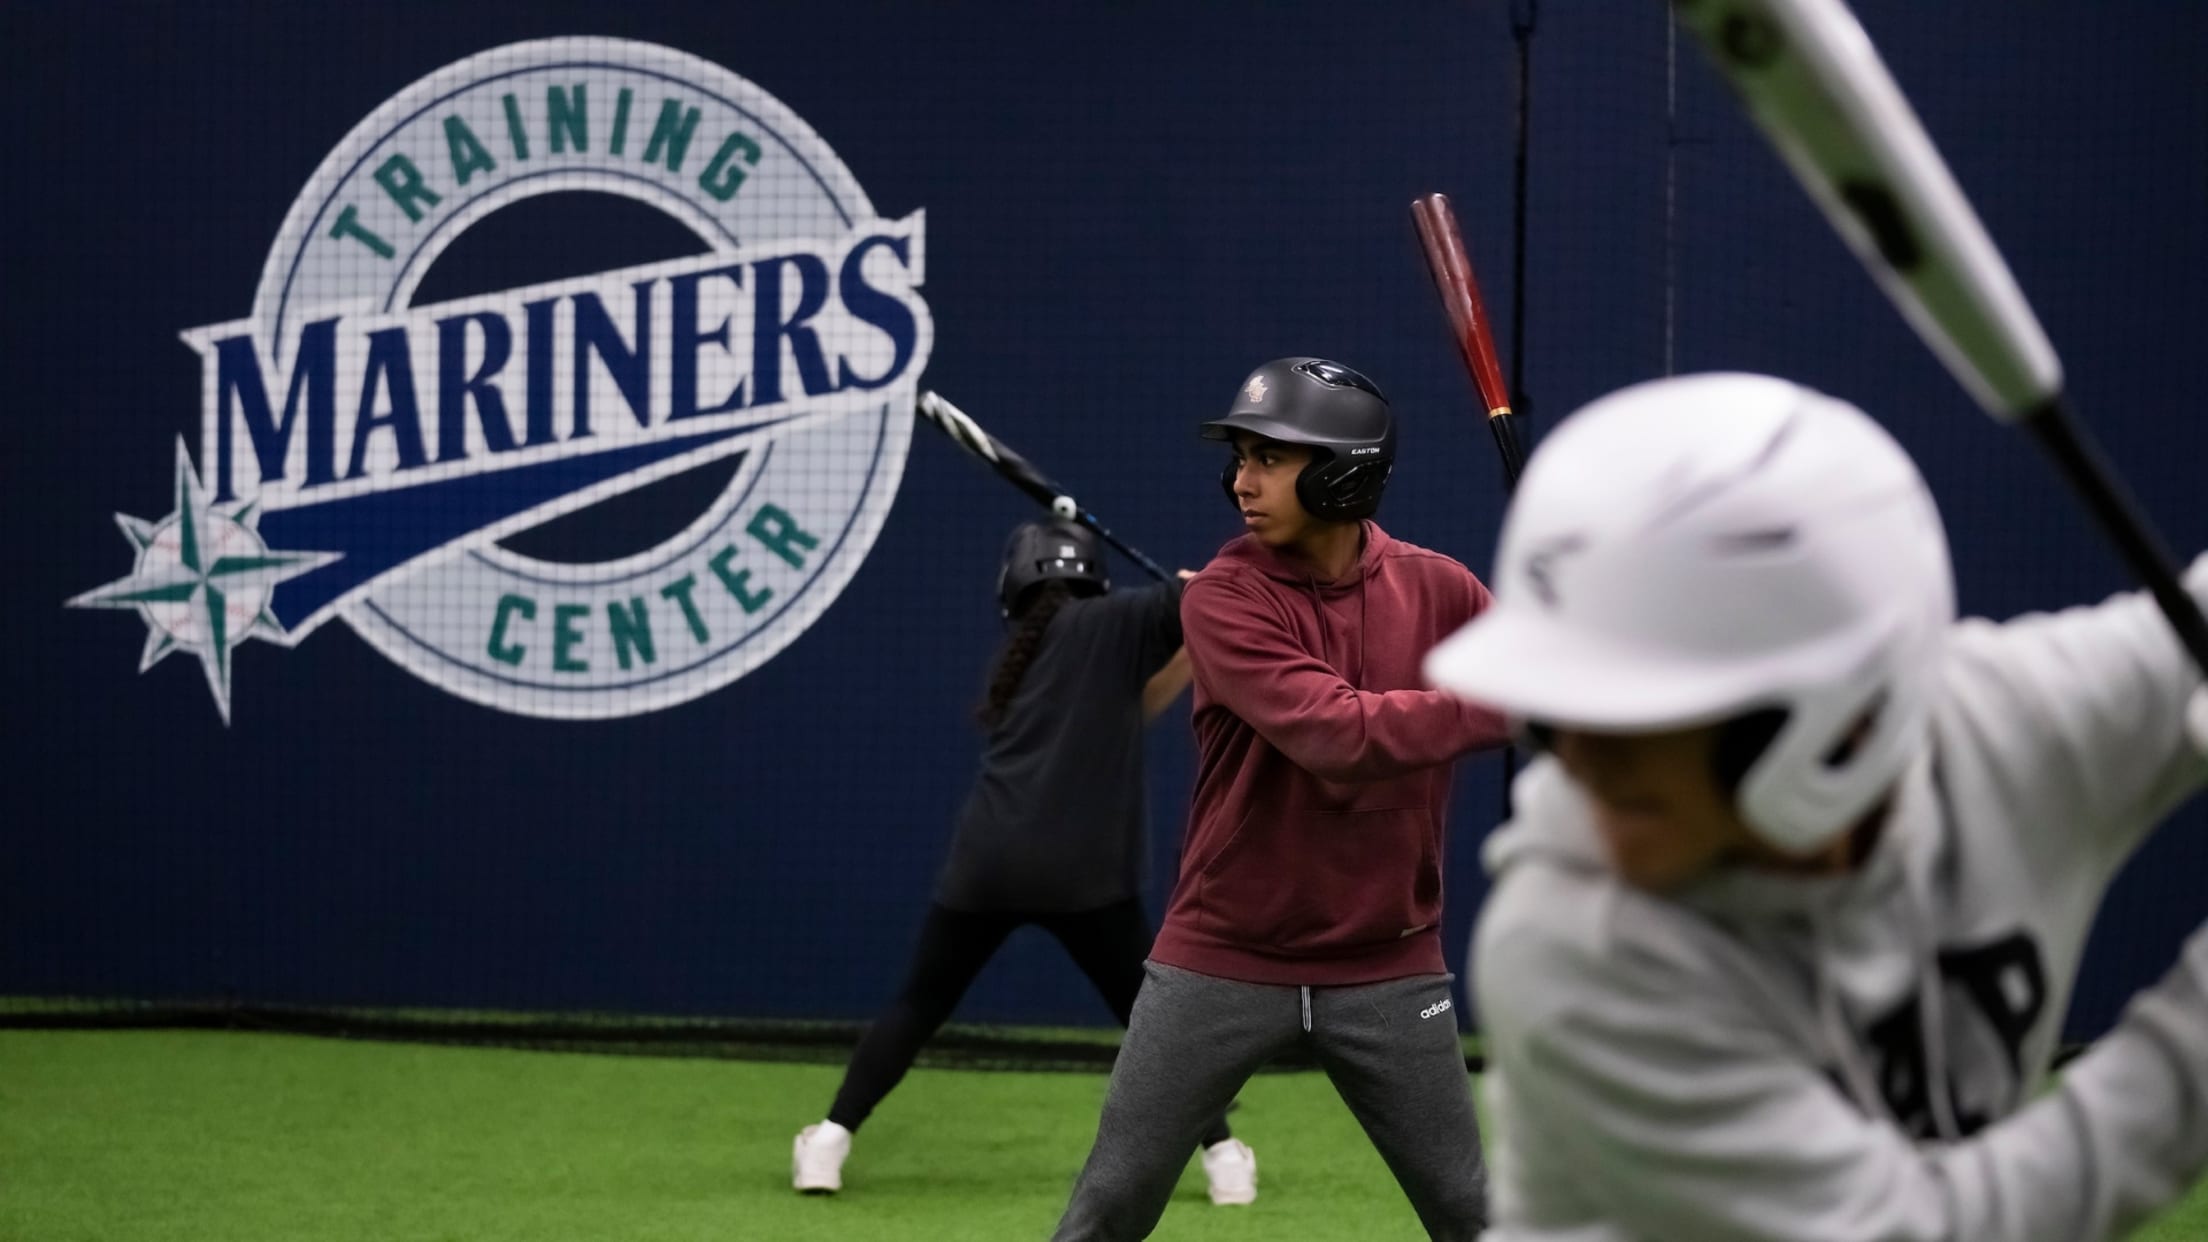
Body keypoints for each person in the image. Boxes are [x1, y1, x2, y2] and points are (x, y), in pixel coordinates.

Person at [1423, 371, 2208, 1241]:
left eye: (1639, 712)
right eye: (1557, 709)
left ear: (1842, 715)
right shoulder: (1576, 949)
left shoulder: (2004, 728)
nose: (1577, 759)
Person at [1052, 357, 1512, 1240]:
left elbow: (1560, 696)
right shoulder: (1225, 596)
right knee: (1108, 1208)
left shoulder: (1442, 589)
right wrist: (1516, 698)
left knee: (1472, 1213)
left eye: (1270, 457)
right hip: (1223, 958)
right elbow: (1337, 738)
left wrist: (1586, 659)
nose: (1241, 480)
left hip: (1389, 960)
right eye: (1240, 456)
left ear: (1346, 473)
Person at [791, 518, 1255, 1203]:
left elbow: (1142, 697)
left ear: (1011, 588)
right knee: (1153, 1021)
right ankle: (1223, 1160)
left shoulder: (1035, 654)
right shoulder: (1114, 619)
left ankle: (827, 1143)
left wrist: (1192, 626)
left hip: (990, 864)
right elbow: (1203, 595)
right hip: (1088, 876)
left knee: (919, 1004)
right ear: (1092, 580)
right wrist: (1194, 589)